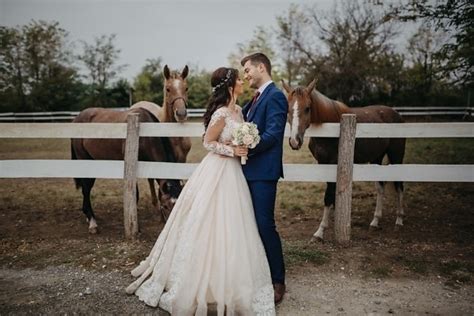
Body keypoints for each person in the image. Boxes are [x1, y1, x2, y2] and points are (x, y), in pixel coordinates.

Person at [125, 67, 276, 316]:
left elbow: (234, 137)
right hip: (218, 169)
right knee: (208, 220)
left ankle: (232, 275)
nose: (242, 82)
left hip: (235, 174)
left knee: (235, 223)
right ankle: (199, 278)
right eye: (239, 79)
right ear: (230, 85)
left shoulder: (238, 110)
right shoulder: (221, 113)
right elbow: (208, 141)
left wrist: (244, 142)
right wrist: (232, 150)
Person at [240, 53, 288, 304]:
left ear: (261, 68)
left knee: (264, 224)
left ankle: (278, 279)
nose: (245, 75)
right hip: (246, 171)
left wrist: (247, 146)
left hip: (263, 173)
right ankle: (255, 272)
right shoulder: (255, 99)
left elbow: (273, 134)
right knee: (247, 224)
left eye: (248, 70)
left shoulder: (276, 96)